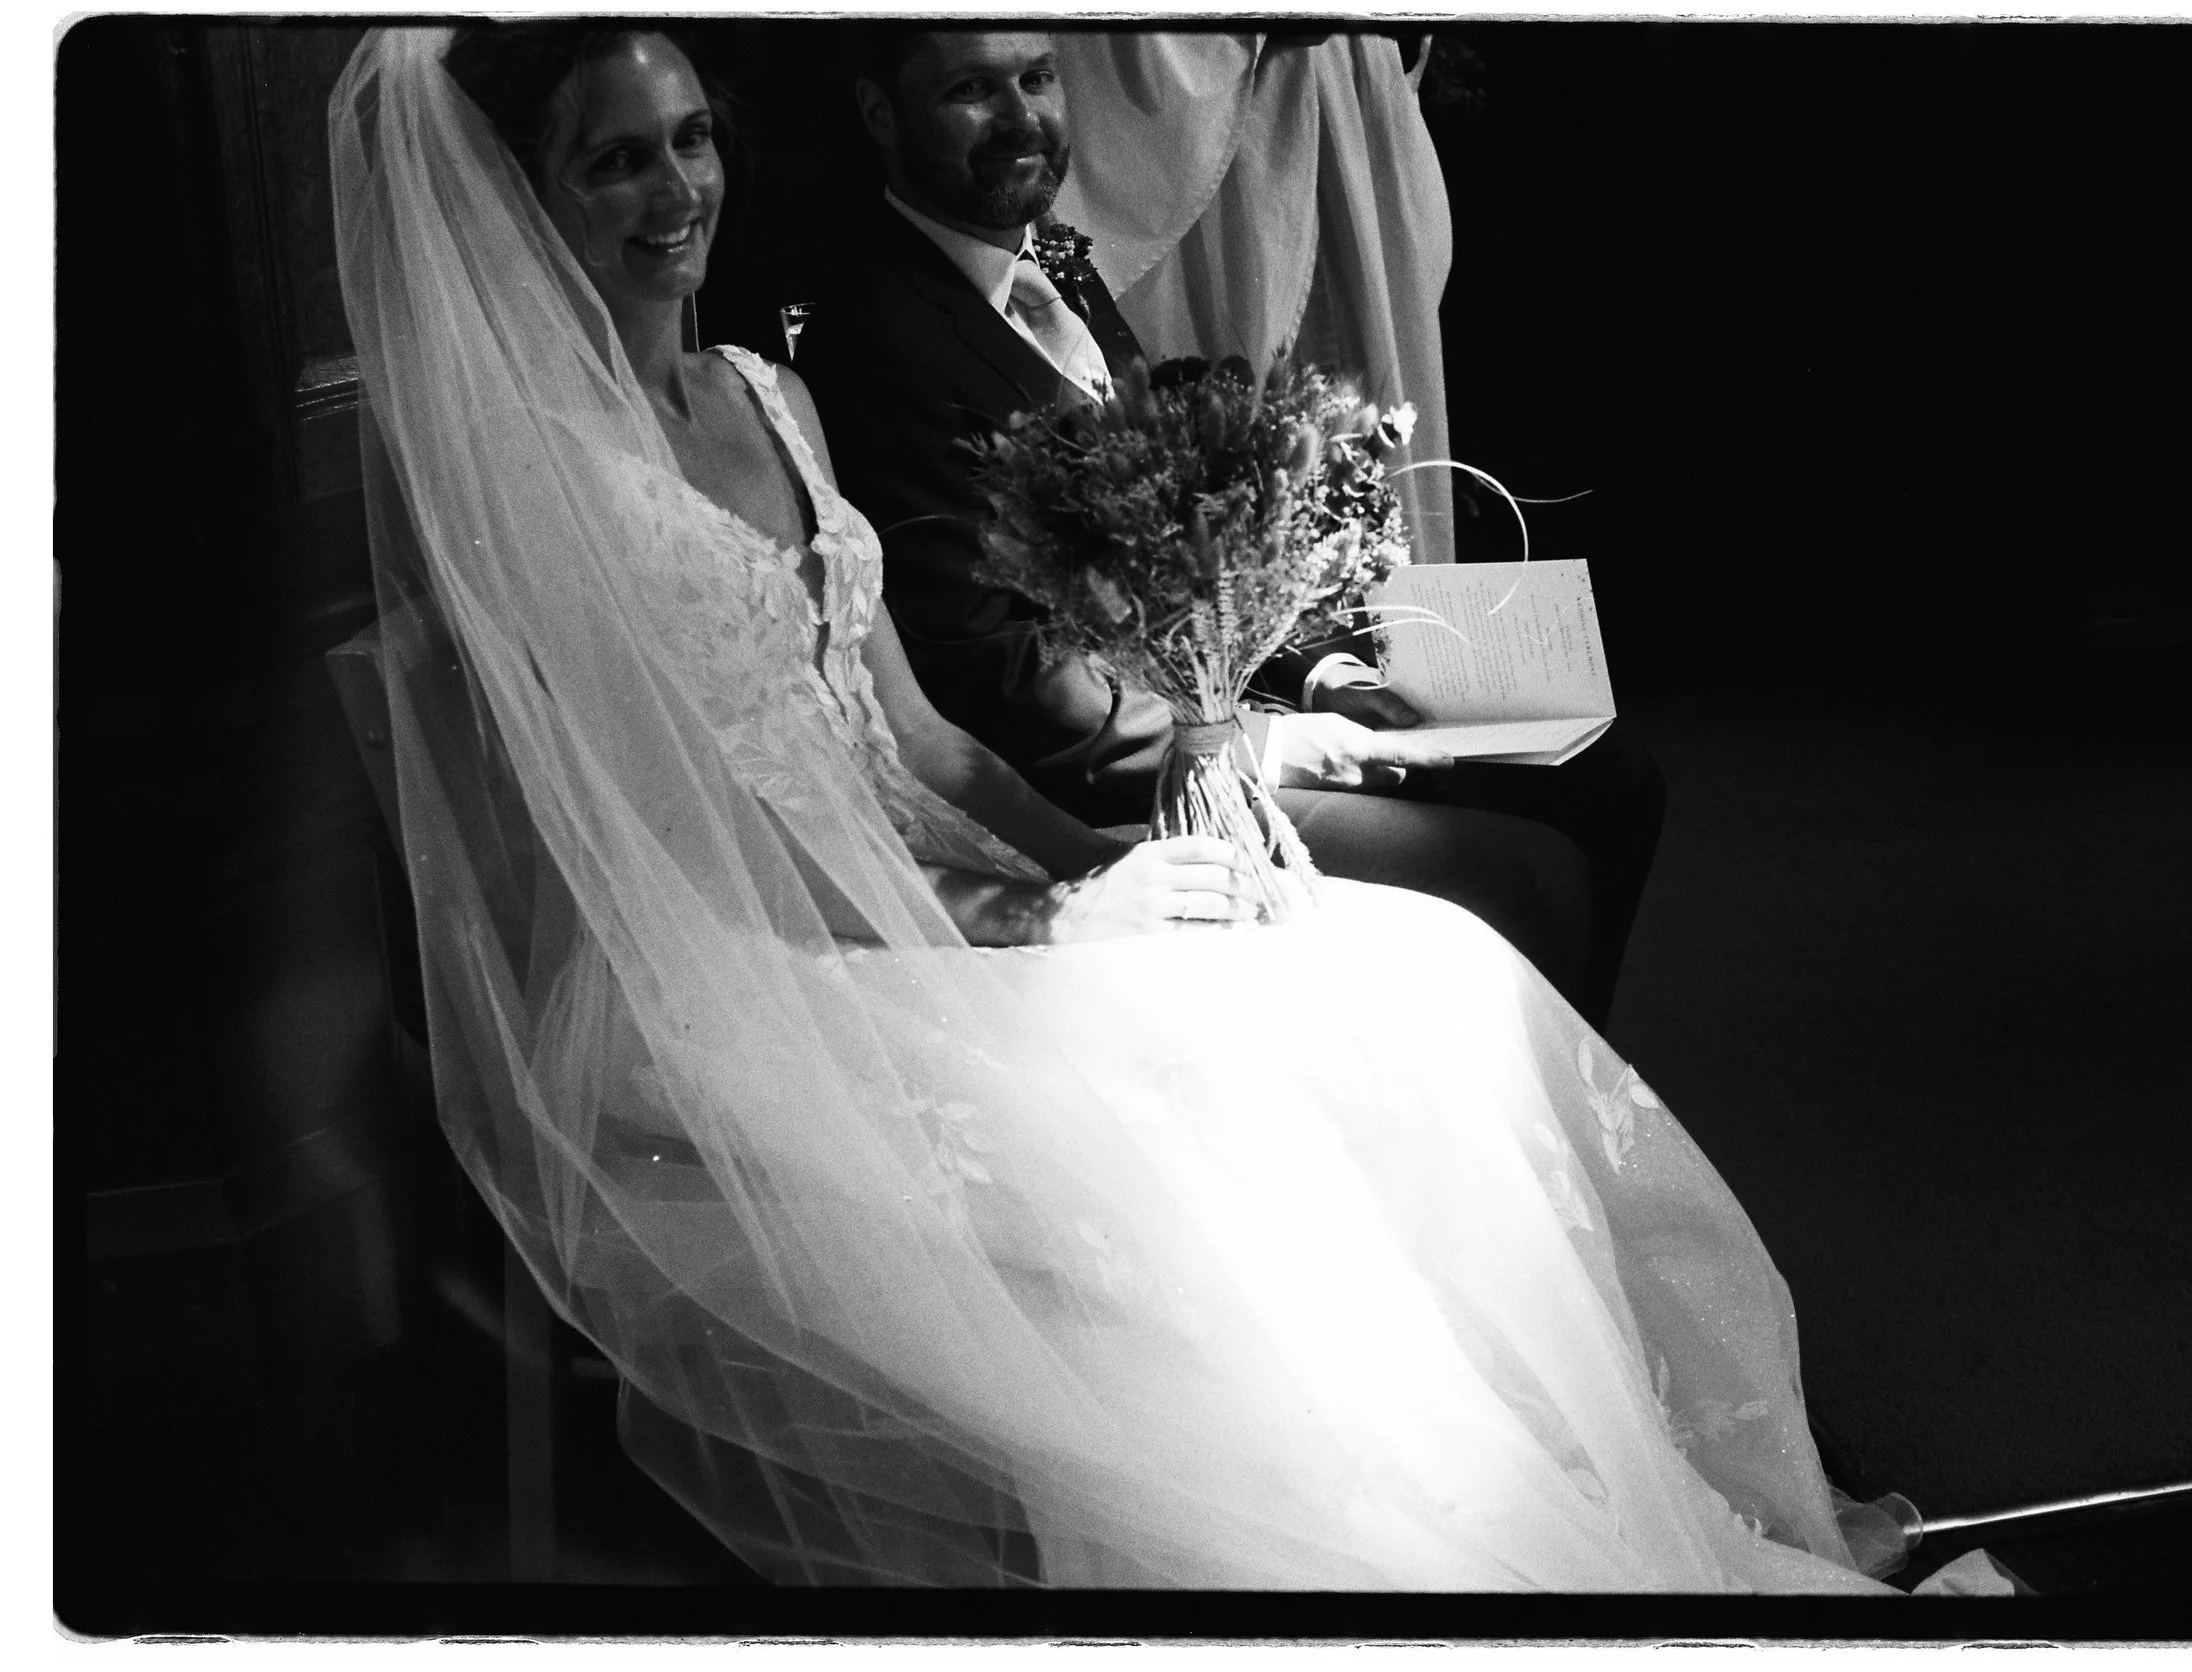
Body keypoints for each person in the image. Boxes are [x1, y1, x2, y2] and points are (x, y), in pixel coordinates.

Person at [332, 21, 1941, 1592]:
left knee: (1394, 973)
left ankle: (1644, 1456)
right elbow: (696, 857)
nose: (675, 189)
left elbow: (929, 749)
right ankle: (1454, 1530)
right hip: (745, 979)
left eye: (688, 140)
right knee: (1247, 1092)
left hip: (924, 879)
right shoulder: (542, 484)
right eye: (614, 162)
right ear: (523, 199)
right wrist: (1049, 924)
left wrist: (1117, 866)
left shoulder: (769, 392)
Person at [800, 26, 1667, 1029]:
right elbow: (998, 678)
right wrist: (1273, 743)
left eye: (1037, 78)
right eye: (969, 90)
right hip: (1103, 785)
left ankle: (1579, 1123)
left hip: (1221, 705)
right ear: (879, 113)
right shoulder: (880, 339)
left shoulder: (1051, 265)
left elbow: (1176, 549)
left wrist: (1317, 673)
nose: (1019, 118)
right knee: (1520, 870)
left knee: (1610, 780)